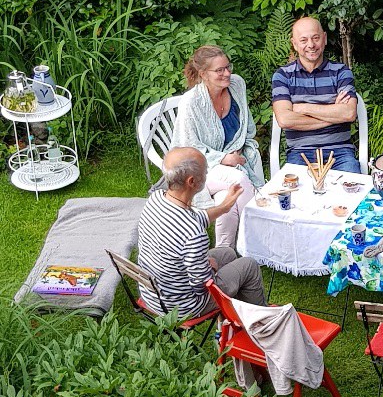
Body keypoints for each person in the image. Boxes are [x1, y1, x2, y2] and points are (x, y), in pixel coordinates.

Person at [136, 147, 266, 319]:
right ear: (192, 182)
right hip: (183, 307)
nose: (207, 174)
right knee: (249, 266)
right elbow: (201, 285)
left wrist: (224, 206)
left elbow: (194, 218)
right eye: (205, 172)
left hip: (155, 295)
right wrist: (209, 267)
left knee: (227, 253)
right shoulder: (193, 233)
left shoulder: (156, 199)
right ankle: (262, 324)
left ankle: (235, 319)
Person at [171, 45, 264, 247]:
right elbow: (189, 147)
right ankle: (257, 240)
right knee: (239, 179)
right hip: (198, 167)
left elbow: (245, 128)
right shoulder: (191, 102)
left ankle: (224, 252)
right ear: (203, 74)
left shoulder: (237, 85)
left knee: (226, 200)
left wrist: (238, 147)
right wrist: (223, 159)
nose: (227, 73)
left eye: (228, 67)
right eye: (219, 70)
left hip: (233, 160)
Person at [271, 16, 361, 174]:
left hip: (339, 153)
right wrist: (333, 113)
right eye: (304, 40)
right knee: (297, 195)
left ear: (324, 39)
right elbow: (285, 120)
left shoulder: (341, 72)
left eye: (316, 38)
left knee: (352, 194)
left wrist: (302, 108)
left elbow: (348, 113)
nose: (311, 45)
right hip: (300, 153)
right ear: (294, 44)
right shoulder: (283, 76)